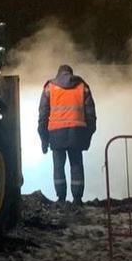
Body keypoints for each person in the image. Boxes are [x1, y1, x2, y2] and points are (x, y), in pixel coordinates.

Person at [38, 64, 96, 204]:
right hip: (76, 133)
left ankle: (61, 198)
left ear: (59, 74)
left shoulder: (49, 87)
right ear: (71, 73)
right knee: (76, 165)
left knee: (58, 166)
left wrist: (44, 140)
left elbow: (43, 116)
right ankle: (77, 199)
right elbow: (91, 115)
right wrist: (87, 137)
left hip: (56, 133)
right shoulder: (82, 86)